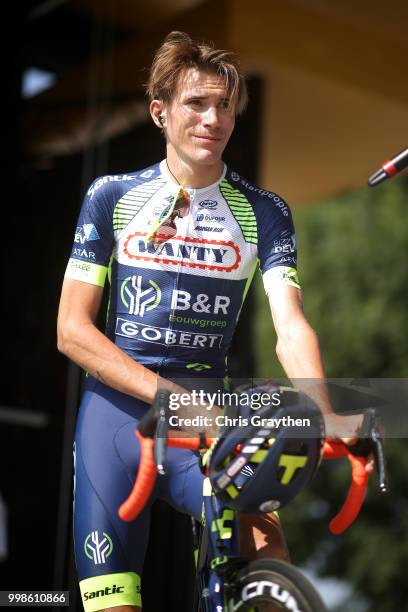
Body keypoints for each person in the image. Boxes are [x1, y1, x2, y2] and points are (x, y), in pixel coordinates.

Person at [57, 31, 372, 612]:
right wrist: (171, 399)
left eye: (225, 105)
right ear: (160, 112)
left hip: (209, 419)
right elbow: (72, 331)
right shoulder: (113, 196)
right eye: (197, 103)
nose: (214, 117)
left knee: (266, 547)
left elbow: (291, 326)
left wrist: (323, 409)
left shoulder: (264, 211)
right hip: (116, 421)